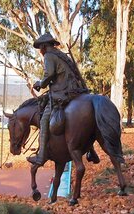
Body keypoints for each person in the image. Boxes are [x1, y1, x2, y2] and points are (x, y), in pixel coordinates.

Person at [27, 33, 97, 166]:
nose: (40, 51)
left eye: (40, 48)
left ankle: (41, 156)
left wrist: (39, 84)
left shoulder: (49, 55)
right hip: (76, 91)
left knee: (44, 120)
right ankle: (91, 151)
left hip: (62, 93)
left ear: (43, 46)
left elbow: (48, 75)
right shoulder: (62, 55)